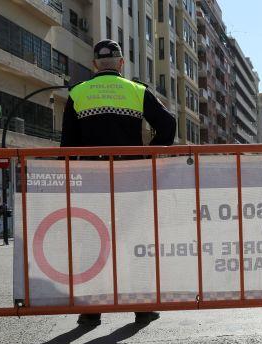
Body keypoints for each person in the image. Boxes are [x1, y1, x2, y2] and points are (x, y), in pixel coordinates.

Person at [61, 39, 176, 328]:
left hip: (92, 181)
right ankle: (142, 307)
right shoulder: (137, 92)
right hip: (131, 179)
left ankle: (90, 309)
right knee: (133, 241)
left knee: (92, 241)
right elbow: (169, 124)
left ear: (94, 65)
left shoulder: (78, 93)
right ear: (122, 64)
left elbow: (67, 146)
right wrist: (150, 156)